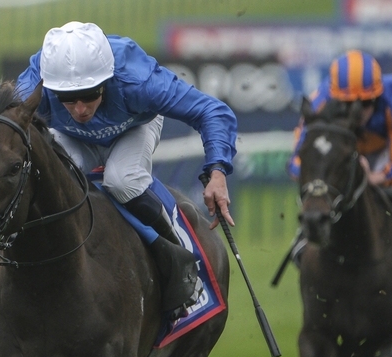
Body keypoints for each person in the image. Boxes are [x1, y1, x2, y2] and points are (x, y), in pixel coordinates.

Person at [16, 21, 238, 319]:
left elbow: (212, 110)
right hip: (69, 135)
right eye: (67, 98)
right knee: (57, 182)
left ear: (107, 80)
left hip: (134, 127)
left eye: (91, 93)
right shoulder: (35, 85)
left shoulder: (138, 79)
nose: (80, 109)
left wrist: (218, 171)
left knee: (122, 179)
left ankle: (179, 258)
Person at [287, 49, 392, 271]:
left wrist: (375, 177)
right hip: (340, 159)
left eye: (367, 102)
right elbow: (297, 161)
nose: (359, 111)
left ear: (378, 95)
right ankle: (304, 238)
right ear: (335, 99)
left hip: (381, 156)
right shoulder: (319, 101)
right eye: (349, 104)